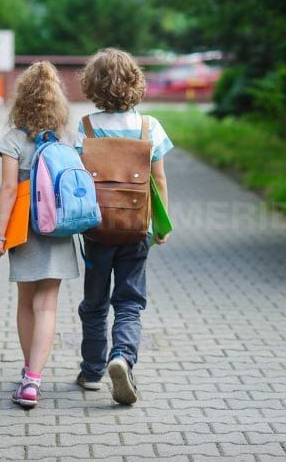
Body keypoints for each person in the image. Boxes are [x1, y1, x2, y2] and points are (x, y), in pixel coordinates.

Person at [74, 48, 173, 405]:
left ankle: (91, 371)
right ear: (135, 83)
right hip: (137, 227)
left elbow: (78, 180)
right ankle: (123, 357)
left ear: (92, 84)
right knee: (130, 300)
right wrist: (161, 224)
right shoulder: (150, 126)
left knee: (94, 302)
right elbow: (158, 181)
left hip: (98, 228)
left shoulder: (84, 126)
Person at [0, 61, 79, 408]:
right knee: (48, 305)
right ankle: (34, 380)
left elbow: (9, 190)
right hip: (58, 228)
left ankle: (28, 373)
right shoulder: (66, 138)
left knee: (26, 302)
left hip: (25, 231)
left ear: (21, 99)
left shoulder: (13, 139)